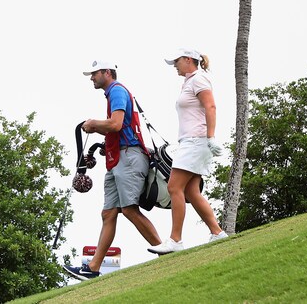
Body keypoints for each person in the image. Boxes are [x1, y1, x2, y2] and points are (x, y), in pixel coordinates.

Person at [64, 59, 161, 280]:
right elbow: (117, 128)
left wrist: (93, 124)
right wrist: (98, 131)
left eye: (94, 73)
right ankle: (93, 269)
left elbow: (115, 124)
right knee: (108, 213)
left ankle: (165, 252)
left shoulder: (116, 91)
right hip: (118, 158)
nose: (91, 77)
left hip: (129, 156)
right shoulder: (112, 94)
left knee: (129, 210)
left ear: (107, 72)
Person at [148, 48, 228, 255]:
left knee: (174, 187)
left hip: (197, 141)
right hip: (190, 141)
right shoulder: (189, 81)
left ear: (187, 60)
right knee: (191, 192)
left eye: (176, 61)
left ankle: (175, 240)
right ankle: (217, 232)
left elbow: (210, 107)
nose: (174, 65)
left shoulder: (199, 79)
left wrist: (211, 137)